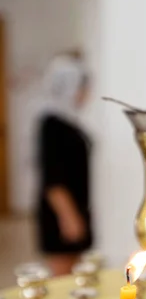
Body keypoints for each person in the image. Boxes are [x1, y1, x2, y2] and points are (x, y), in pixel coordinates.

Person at [36, 50, 93, 276]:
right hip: (61, 214)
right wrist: (69, 217)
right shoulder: (51, 124)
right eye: (82, 87)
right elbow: (53, 178)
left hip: (77, 207)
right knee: (62, 280)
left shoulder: (68, 122)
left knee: (74, 276)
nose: (85, 94)